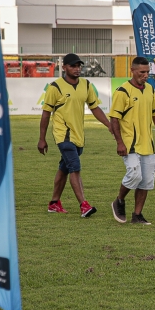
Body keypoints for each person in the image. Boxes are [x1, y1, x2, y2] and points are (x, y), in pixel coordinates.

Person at [39, 53, 112, 217]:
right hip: (63, 135)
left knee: (64, 168)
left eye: (79, 66)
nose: (77, 69)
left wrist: (109, 125)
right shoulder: (55, 87)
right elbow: (46, 114)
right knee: (75, 167)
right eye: (73, 66)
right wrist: (42, 139)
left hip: (78, 136)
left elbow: (95, 108)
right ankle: (84, 205)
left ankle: (54, 203)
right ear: (64, 67)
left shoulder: (86, 85)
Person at [109, 56, 155, 225]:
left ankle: (137, 215)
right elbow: (114, 119)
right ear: (132, 70)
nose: (145, 75)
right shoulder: (123, 91)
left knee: (147, 181)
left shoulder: (150, 89)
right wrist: (119, 142)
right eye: (142, 72)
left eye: (147, 72)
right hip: (129, 143)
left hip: (147, 144)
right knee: (134, 175)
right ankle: (119, 200)